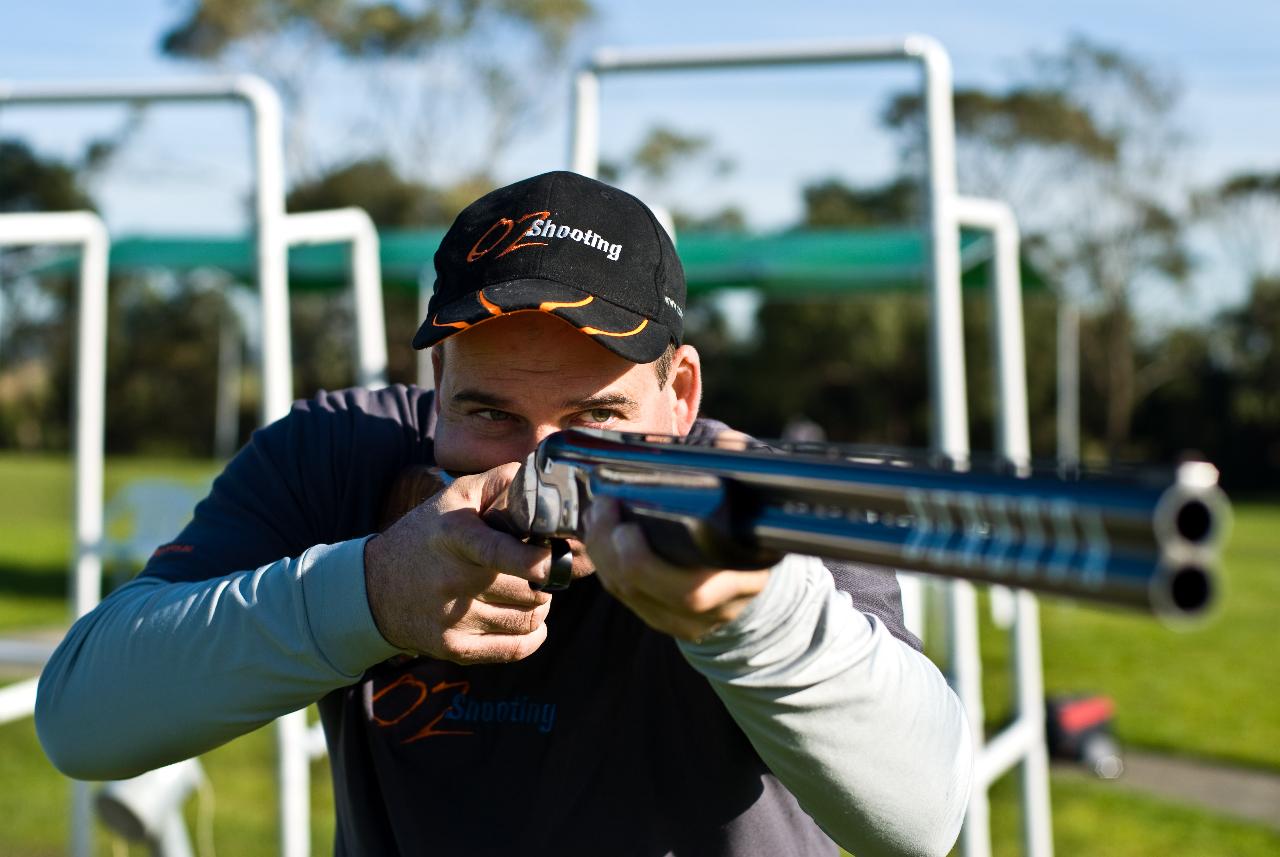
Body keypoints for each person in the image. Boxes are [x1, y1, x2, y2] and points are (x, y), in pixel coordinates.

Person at [36, 171, 972, 856]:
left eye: (599, 419)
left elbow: (926, 815)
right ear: (437, 383)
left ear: (679, 395)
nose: (539, 465)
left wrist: (750, 619)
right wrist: (367, 594)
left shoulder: (758, 504)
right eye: (492, 414)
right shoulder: (339, 455)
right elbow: (82, 715)